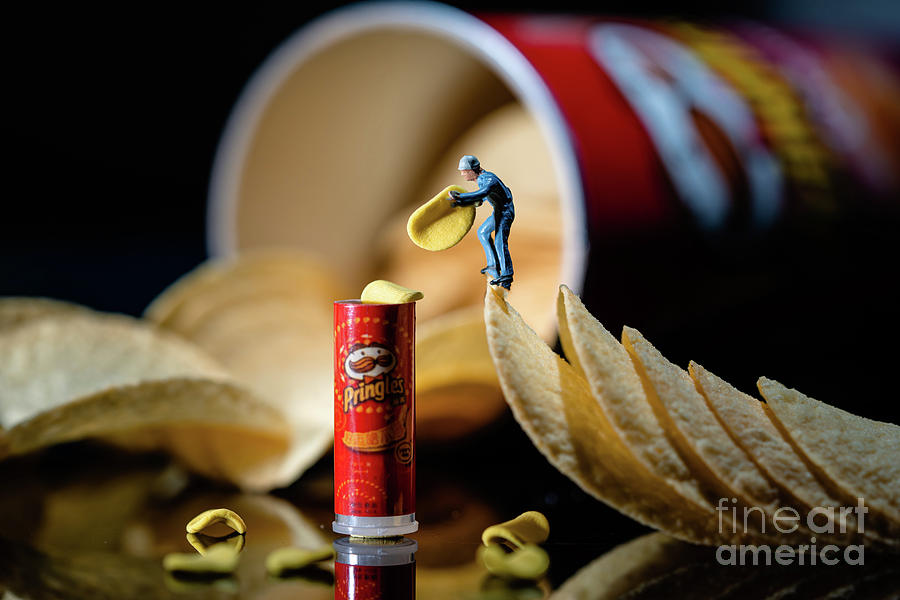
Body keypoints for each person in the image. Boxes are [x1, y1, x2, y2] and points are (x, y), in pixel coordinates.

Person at [448, 155, 515, 289]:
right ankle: (493, 266)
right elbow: (481, 199)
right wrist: (463, 203)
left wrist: (460, 197)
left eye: (464, 171)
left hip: (505, 212)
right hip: (498, 210)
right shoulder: (481, 179)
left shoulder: (489, 179)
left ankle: (507, 276)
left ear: (473, 170)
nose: (462, 174)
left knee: (500, 241)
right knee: (483, 232)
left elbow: (482, 193)